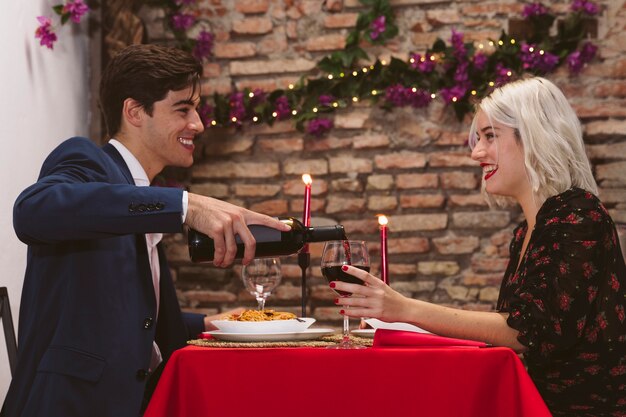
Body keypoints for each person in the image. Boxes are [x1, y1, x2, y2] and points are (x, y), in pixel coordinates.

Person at [2, 44, 290, 417]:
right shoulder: (85, 160)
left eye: (197, 109)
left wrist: (210, 323)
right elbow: (31, 212)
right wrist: (185, 206)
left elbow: (138, 322)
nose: (199, 124)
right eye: (183, 109)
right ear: (135, 112)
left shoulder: (139, 199)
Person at [335, 77, 626, 416]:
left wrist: (404, 310)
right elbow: (506, 331)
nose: (476, 153)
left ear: (535, 136)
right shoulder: (527, 233)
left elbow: (524, 332)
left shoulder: (578, 215)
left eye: (490, 136)